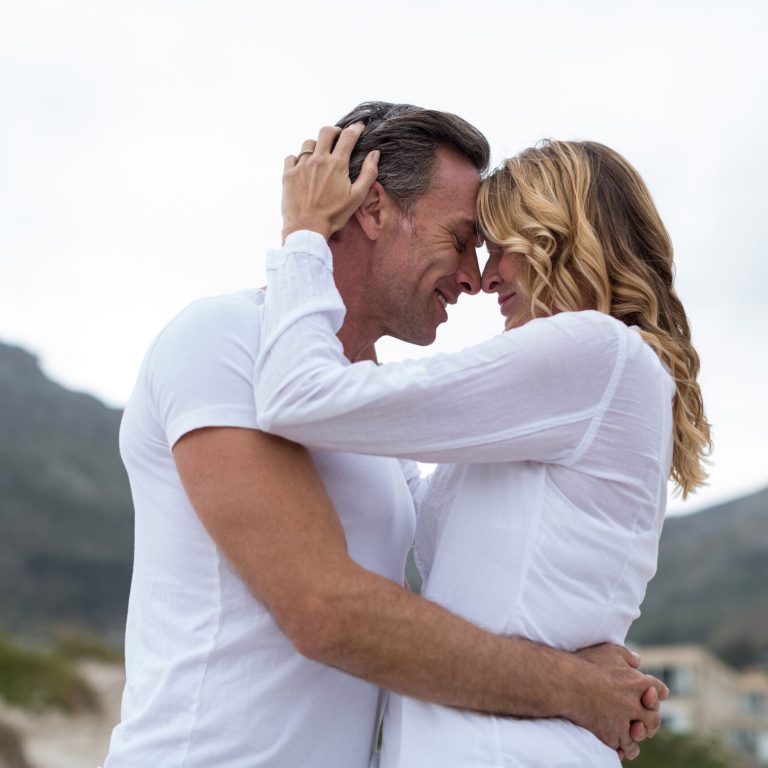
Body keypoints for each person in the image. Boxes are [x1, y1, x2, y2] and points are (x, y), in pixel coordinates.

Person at [103, 103, 664, 768]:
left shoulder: (371, 422)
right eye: (459, 238)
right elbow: (327, 611)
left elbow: (483, 563)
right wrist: (576, 686)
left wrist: (584, 641)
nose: (472, 276)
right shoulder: (223, 339)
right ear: (373, 210)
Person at [252, 118, 711, 767]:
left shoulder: (596, 351)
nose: (487, 276)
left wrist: (304, 238)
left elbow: (296, 399)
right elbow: (399, 483)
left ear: (561, 236)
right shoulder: (597, 381)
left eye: (501, 246)